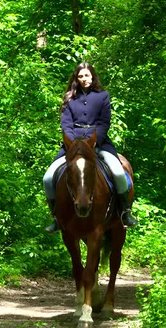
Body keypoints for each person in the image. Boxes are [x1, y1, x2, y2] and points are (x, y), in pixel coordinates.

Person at [43, 62, 137, 233]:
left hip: (98, 142)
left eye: (87, 75)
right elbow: (66, 125)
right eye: (80, 76)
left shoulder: (103, 97)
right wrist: (75, 144)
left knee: (117, 172)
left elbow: (104, 122)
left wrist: (92, 142)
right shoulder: (69, 98)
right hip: (72, 145)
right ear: (76, 79)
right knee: (48, 178)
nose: (84, 79)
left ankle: (125, 211)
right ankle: (56, 217)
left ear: (92, 76)